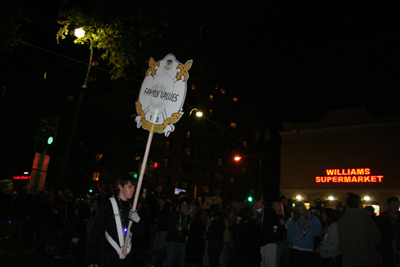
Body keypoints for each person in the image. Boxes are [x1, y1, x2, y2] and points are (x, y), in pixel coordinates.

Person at [85, 175, 144, 267]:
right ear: (120, 187)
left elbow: (139, 235)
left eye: (134, 187)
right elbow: (96, 231)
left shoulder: (133, 206)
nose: (132, 190)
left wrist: (138, 222)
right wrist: (93, 260)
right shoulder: (108, 205)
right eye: (129, 187)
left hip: (128, 256)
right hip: (109, 254)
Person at [338, 194, 380, 267]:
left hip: (348, 258)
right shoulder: (366, 219)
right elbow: (376, 238)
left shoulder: (342, 220)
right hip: (366, 258)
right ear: (360, 205)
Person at [287, 201, 323, 267]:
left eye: (302, 209)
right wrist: (290, 241)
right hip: (295, 247)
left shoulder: (312, 218)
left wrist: (315, 219)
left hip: (308, 248)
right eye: (299, 210)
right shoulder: (295, 219)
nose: (301, 212)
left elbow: (318, 233)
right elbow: (290, 231)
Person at [164, 196, 191, 267]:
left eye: (186, 205)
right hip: (174, 241)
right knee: (170, 261)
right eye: (182, 204)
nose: (184, 207)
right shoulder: (175, 214)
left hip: (183, 242)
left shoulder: (190, 216)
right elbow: (171, 227)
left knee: (181, 262)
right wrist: (168, 240)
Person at [376, 197, 400, 267]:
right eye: (394, 205)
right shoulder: (382, 218)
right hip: (387, 248)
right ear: (389, 205)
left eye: (397, 205)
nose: (396, 207)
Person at [185, 201, 206, 267]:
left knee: (194, 263)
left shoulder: (197, 220)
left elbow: (194, 233)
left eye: (190, 207)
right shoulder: (194, 218)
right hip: (194, 245)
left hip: (195, 246)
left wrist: (183, 230)